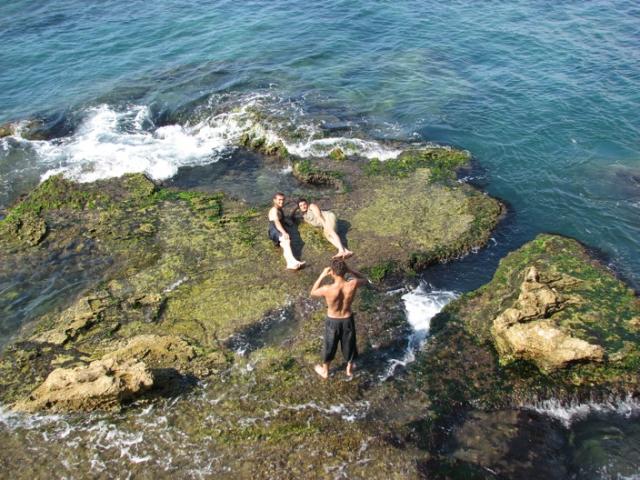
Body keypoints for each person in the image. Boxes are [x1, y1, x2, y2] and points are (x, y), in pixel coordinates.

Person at [310, 258, 367, 379]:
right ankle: (349, 370)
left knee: (329, 344)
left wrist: (322, 275)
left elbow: (313, 292)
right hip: (347, 319)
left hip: (333, 321)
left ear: (332, 272)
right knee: (349, 344)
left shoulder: (327, 289)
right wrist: (350, 270)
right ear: (345, 271)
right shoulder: (353, 284)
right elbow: (366, 280)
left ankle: (325, 372)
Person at [268, 192, 305, 270]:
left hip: (276, 230)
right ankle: (292, 262)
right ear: (274, 200)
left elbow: (281, 219)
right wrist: (284, 232)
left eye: (283, 200)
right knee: (286, 241)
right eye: (279, 200)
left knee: (285, 245)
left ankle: (291, 263)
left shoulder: (279, 208)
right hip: (274, 229)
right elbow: (277, 222)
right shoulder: (274, 210)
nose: (282, 201)